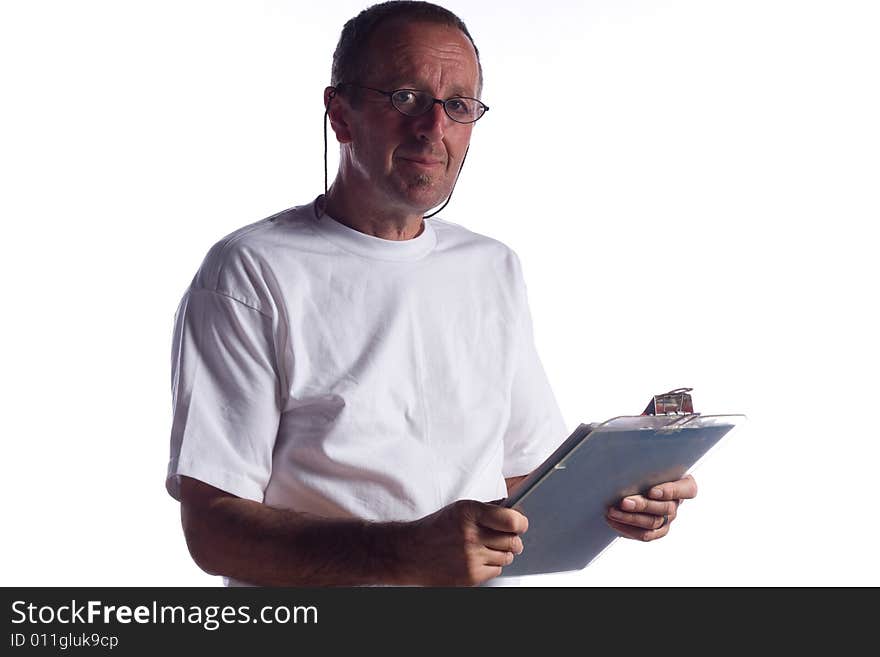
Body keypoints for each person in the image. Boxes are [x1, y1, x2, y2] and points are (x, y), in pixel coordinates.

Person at [165, 0, 697, 587]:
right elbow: (212, 529)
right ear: (339, 114)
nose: (432, 128)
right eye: (405, 97)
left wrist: (619, 490)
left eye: (457, 106)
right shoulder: (250, 271)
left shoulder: (491, 267)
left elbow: (521, 481)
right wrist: (400, 553)